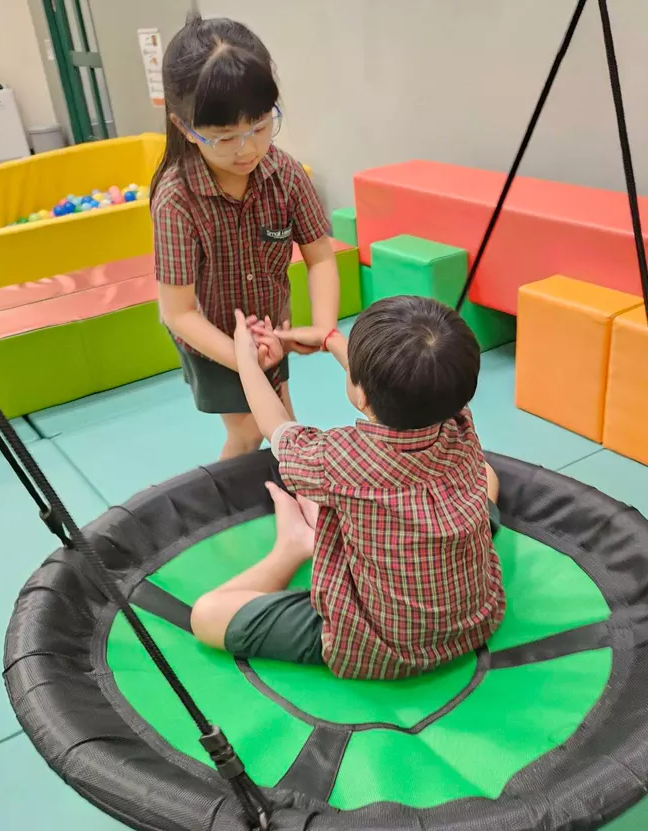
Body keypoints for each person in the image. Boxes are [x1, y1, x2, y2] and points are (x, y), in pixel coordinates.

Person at [188, 296, 506, 681]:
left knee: (205, 614)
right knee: (485, 474)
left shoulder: (338, 458)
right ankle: (306, 536)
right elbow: (392, 385)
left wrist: (245, 359)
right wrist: (329, 339)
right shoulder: (459, 420)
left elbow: (276, 427)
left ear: (362, 395)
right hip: (477, 618)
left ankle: (293, 547)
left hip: (381, 645)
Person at [151, 12, 341, 460]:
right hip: (214, 339)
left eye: (259, 126)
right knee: (251, 432)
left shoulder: (286, 175)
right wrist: (243, 355)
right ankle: (218, 511)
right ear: (185, 128)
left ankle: (284, 503)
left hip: (272, 330)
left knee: (283, 426)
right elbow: (178, 313)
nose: (247, 149)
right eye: (225, 137)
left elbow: (321, 257)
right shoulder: (177, 200)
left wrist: (323, 327)